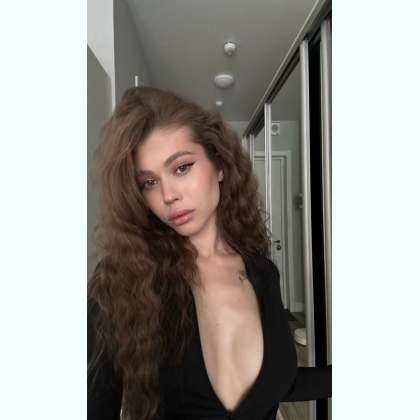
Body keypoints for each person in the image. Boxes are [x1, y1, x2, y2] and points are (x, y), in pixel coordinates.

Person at [87, 86, 332, 420]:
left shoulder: (262, 273)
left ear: (219, 165)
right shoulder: (123, 278)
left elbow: (281, 383)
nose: (168, 195)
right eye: (149, 182)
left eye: (181, 167)